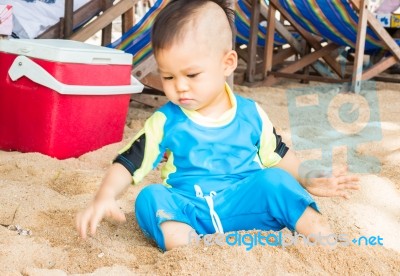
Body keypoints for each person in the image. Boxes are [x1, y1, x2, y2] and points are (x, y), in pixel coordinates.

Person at [76, 0, 360, 251]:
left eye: (191, 74)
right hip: (190, 210)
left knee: (276, 181)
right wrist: (105, 195)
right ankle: (190, 247)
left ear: (227, 63)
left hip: (245, 206)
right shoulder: (166, 121)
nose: (180, 87)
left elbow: (279, 155)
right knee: (150, 197)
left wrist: (308, 178)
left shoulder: (250, 114)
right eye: (169, 77)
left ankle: (326, 241)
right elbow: (129, 162)